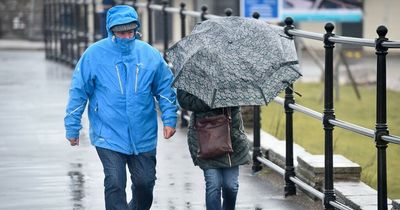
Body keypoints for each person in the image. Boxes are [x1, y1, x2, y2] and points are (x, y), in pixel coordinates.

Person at [64, 5, 177, 210]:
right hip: (108, 132)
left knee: (145, 183)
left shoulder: (149, 55)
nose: (126, 36)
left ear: (136, 29)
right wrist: (72, 127)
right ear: (111, 31)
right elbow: (78, 92)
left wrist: (170, 119)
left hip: (143, 133)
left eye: (130, 31)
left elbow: (165, 89)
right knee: (115, 183)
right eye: (121, 32)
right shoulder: (94, 55)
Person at [177, 89, 251, 210]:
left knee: (231, 186)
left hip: (231, 135)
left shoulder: (233, 73)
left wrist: (225, 97)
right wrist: (209, 99)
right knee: (213, 184)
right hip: (205, 135)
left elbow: (244, 95)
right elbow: (185, 101)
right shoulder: (193, 72)